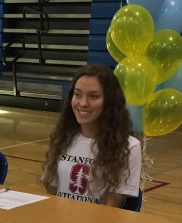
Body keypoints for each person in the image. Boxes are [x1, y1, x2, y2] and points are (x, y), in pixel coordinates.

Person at [41, 64, 141, 207]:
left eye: (93, 96)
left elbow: (113, 203)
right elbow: (52, 191)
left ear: (109, 101)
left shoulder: (129, 146)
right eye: (77, 94)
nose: (83, 103)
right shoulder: (62, 137)